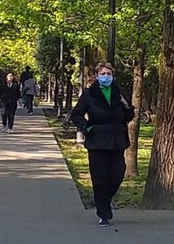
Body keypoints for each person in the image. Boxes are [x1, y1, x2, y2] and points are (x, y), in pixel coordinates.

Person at [71, 63, 134, 227]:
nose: (106, 76)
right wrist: (87, 128)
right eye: (103, 74)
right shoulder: (89, 94)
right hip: (97, 141)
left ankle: (104, 200)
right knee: (100, 179)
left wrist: (127, 106)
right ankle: (103, 213)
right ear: (97, 76)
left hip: (117, 140)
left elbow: (128, 116)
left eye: (109, 73)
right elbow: (76, 114)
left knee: (117, 174)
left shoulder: (119, 92)